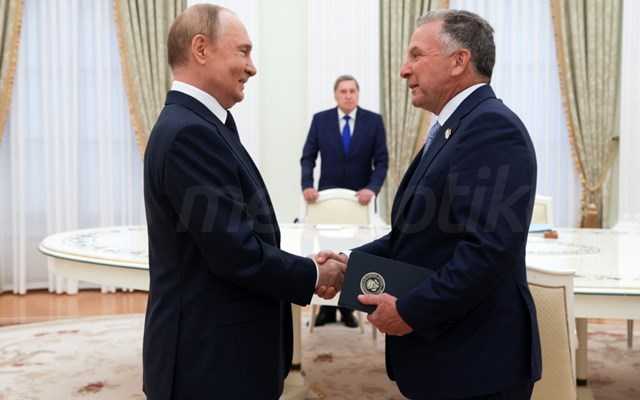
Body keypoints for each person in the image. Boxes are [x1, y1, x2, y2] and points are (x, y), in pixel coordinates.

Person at [318, 10, 541, 400]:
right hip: (451, 358)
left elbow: (487, 251)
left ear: (459, 61)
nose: (404, 70)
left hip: (477, 363)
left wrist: (411, 311)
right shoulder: (454, 128)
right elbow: (415, 235)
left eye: (416, 55)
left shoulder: (491, 128)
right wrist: (351, 262)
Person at [142, 5, 345, 400]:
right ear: (201, 49)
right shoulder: (189, 133)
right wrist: (313, 274)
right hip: (209, 365)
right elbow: (235, 253)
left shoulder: (203, 124)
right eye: (243, 51)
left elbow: (234, 235)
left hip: (221, 357)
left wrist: (304, 266)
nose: (252, 67)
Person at [300, 75, 389, 328]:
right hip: (326, 202)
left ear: (358, 94)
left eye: (352, 91)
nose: (348, 95)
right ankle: (325, 311)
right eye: (343, 91)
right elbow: (308, 157)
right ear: (336, 95)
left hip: (360, 203)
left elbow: (382, 162)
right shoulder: (321, 120)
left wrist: (372, 188)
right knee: (327, 254)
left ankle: (348, 308)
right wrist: (307, 185)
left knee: (353, 254)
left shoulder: (373, 121)